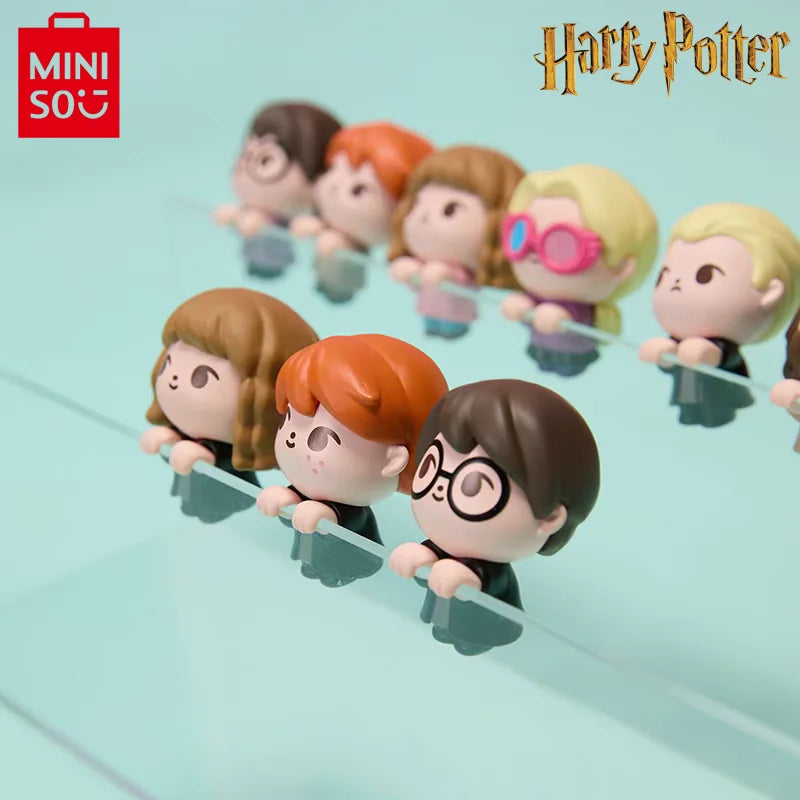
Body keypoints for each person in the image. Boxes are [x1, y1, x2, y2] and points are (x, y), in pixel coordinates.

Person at [390, 379, 600, 654]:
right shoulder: (444, 547)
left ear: (549, 518)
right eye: (432, 468)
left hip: (484, 630)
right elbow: (434, 578)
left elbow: (483, 582)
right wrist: (420, 558)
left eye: (474, 486)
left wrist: (465, 577)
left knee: (469, 643)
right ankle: (443, 629)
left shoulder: (492, 571)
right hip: (443, 617)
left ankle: (466, 640)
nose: (439, 490)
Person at [140, 288, 318, 522]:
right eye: (168, 363)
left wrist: (205, 455)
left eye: (201, 377)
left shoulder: (236, 450)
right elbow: (179, 459)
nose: (174, 380)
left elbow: (227, 463)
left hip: (230, 502)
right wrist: (169, 438)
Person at [390, 145, 524, 338]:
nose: (424, 217)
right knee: (431, 331)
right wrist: (407, 270)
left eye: (449, 210)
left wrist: (444, 274)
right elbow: (417, 281)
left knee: (450, 332)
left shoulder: (461, 271)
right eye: (418, 204)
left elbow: (458, 279)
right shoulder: (423, 263)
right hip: (427, 310)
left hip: (456, 314)